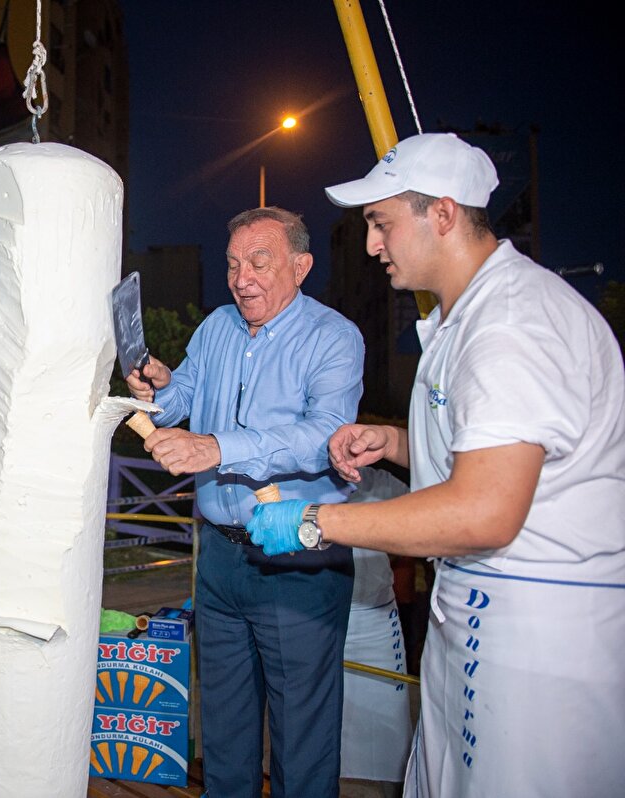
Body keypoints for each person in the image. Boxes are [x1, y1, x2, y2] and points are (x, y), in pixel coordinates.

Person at [246, 132, 625, 797]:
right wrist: (394, 443)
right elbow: (488, 453)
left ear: (443, 214)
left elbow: (484, 511)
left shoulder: (512, 323)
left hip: (537, 645)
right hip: (475, 622)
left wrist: (314, 522)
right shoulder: (463, 319)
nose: (372, 245)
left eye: (381, 223)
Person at [126, 206, 364, 797]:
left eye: (260, 261)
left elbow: (324, 436)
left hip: (298, 556)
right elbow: (182, 398)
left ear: (301, 267)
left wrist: (217, 447)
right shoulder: (217, 327)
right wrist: (159, 387)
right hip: (219, 559)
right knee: (224, 729)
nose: (242, 278)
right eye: (233, 264)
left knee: (301, 738)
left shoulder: (333, 337)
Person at [340, 467, 412, 796]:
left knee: (387, 729)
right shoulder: (301, 481)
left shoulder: (379, 483)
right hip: (319, 621)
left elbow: (420, 520)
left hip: (375, 619)